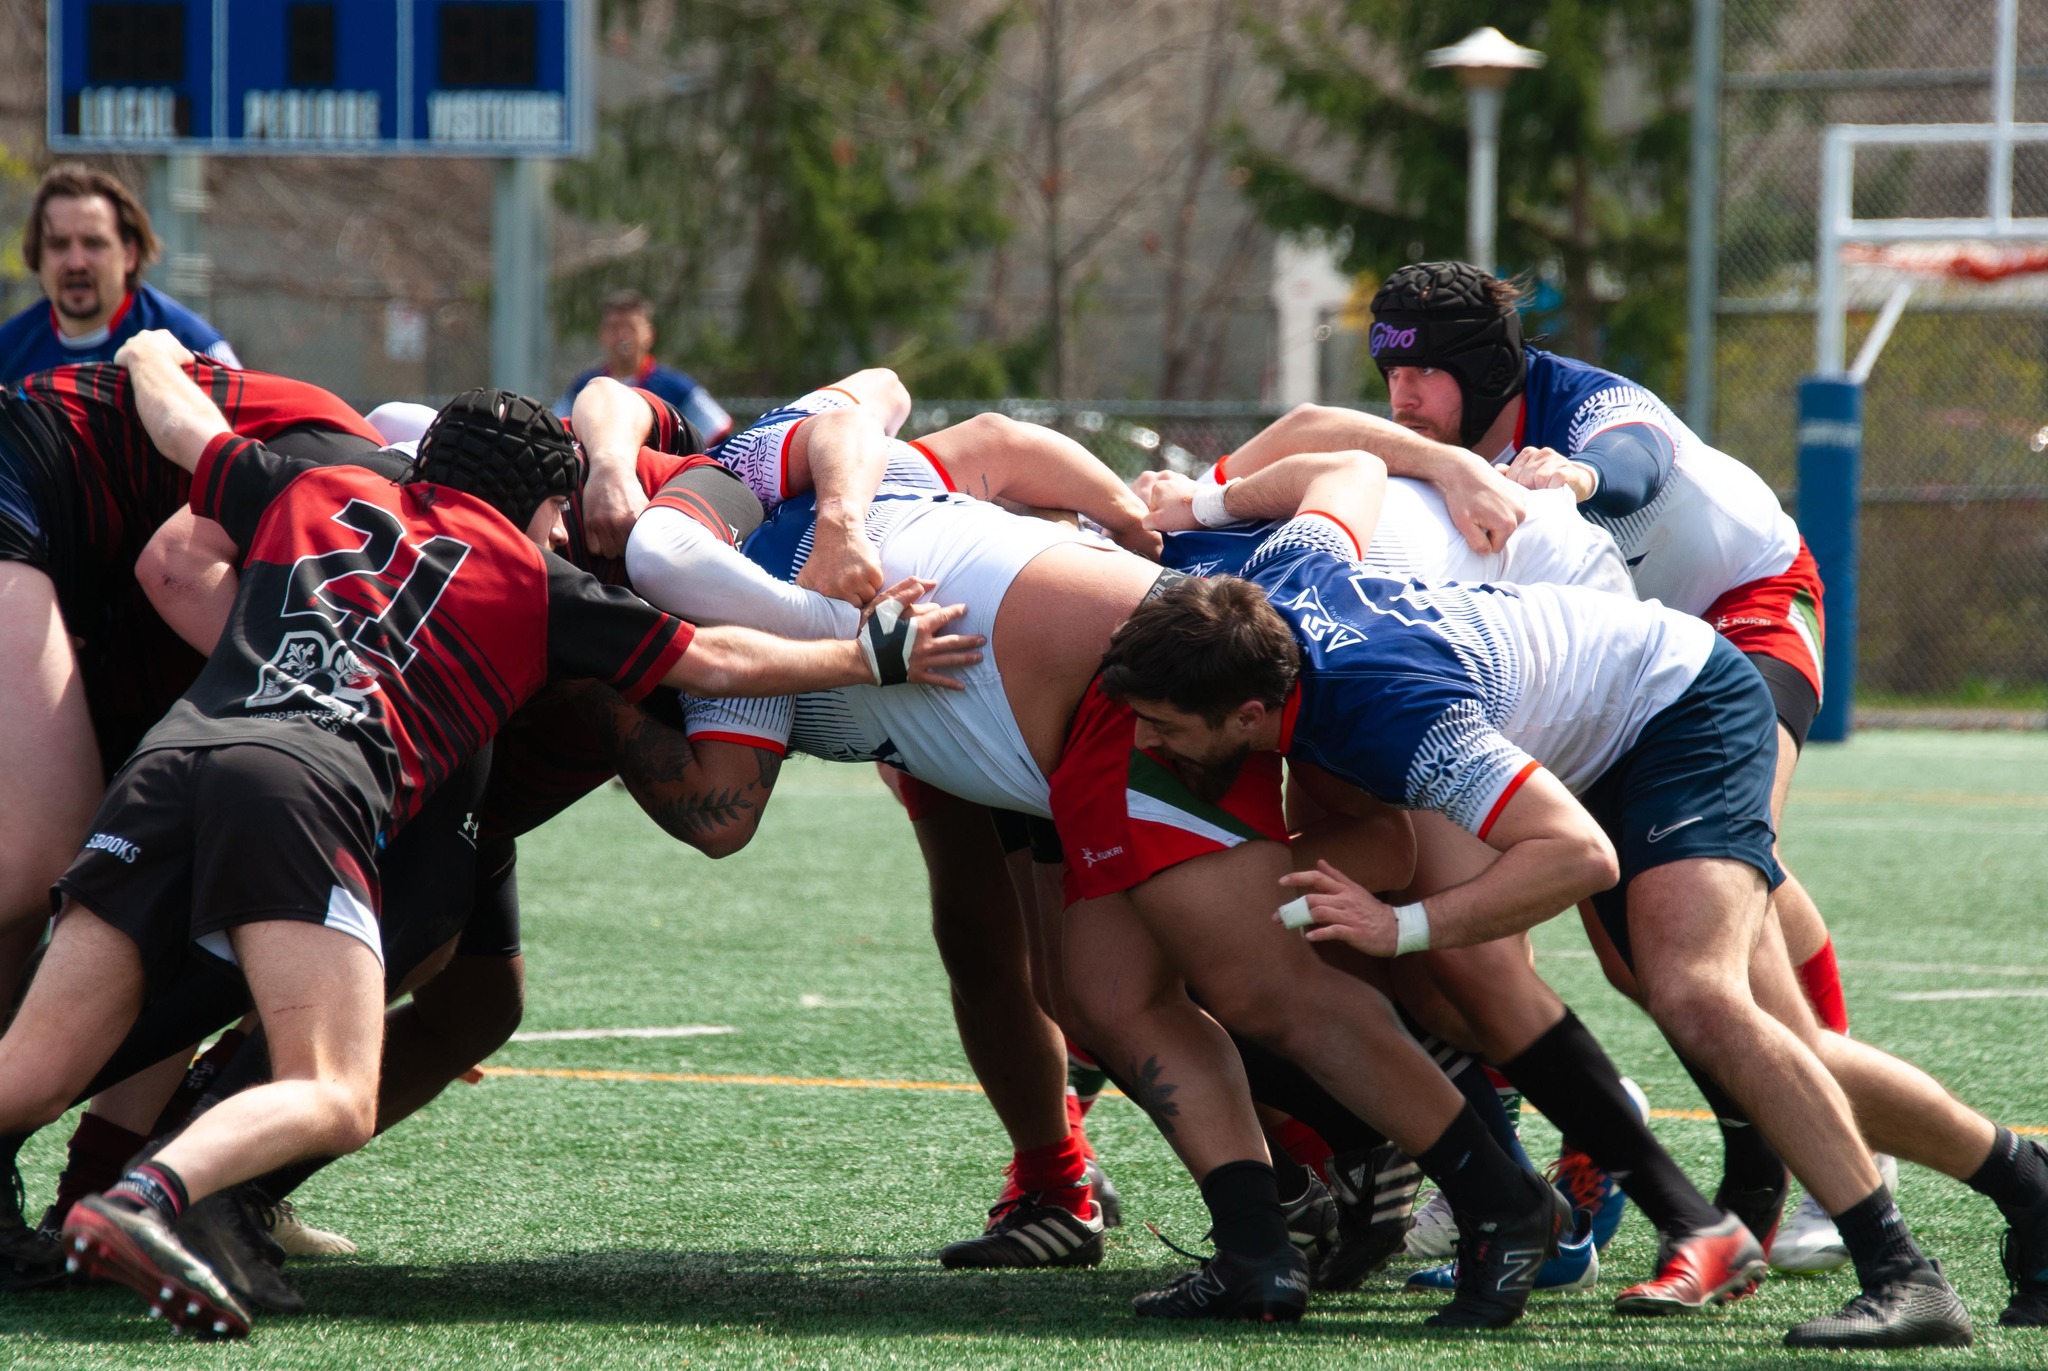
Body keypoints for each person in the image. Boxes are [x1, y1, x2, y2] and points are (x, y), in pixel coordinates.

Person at [14, 331, 977, 1338]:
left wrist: (150, 357)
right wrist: (863, 658)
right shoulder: (531, 575)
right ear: (541, 508)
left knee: (30, 1069)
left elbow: (188, 433)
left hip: (175, 760)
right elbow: (717, 662)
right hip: (310, 786)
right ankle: (149, 1196)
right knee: (335, 1087)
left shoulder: (312, 494)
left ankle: (156, 1186)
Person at [1102, 475, 2048, 1347]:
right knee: (1774, 1033)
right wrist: (1213, 495)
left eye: (1165, 726)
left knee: (1698, 998)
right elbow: (1342, 470)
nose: (1148, 744)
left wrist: (1403, 927)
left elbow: (1572, 854)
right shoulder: (1274, 578)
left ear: (1248, 712)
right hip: (1592, 722)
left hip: (1678, 706)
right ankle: (2026, 1181)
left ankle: (1905, 1274)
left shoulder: (1389, 714)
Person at [0, 165, 239, 384]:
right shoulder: (8, 352)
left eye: (94, 243)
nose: (76, 263)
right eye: (58, 244)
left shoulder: (197, 349)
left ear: (130, 254)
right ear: (36, 254)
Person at [554, 290, 731, 444]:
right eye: (614, 327)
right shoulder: (585, 388)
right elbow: (553, 434)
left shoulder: (677, 389)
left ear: (649, 334)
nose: (622, 336)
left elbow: (719, 438)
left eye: (631, 327)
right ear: (601, 334)